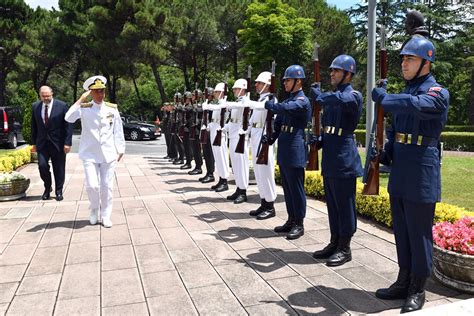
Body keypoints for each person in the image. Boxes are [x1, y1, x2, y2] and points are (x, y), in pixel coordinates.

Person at [371, 36, 449, 313]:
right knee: (402, 231)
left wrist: (386, 98)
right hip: (402, 167)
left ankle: (418, 287)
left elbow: (416, 106)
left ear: (426, 63)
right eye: (402, 59)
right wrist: (384, 153)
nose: (403, 63)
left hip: (421, 170)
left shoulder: (437, 92)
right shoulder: (406, 93)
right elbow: (395, 130)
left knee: (419, 232)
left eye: (410, 59)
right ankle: (403, 280)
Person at [309, 55, 363, 267]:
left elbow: (338, 100)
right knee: (332, 204)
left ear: (348, 74)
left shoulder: (353, 95)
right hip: (331, 155)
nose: (331, 73)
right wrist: (319, 140)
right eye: (331, 70)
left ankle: (345, 247)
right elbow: (330, 125)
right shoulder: (331, 97)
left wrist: (320, 96)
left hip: (344, 158)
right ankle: (334, 241)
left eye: (336, 70)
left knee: (344, 204)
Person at [65, 75, 125, 228]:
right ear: (91, 93)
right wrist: (80, 100)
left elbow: (117, 130)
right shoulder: (84, 108)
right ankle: (93, 210)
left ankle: (105, 215)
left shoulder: (112, 108)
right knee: (92, 185)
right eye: (96, 92)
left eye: (102, 91)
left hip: (108, 154)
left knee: (107, 186)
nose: (100, 94)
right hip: (90, 153)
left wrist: (121, 148)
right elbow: (68, 117)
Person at [264, 65, 311, 240]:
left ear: (298, 81)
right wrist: (271, 137)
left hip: (295, 148)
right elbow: (279, 123)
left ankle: (299, 223)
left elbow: (285, 109)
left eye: (288, 80)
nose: (285, 83)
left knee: (296, 189)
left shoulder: (302, 101)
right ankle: (291, 219)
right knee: (288, 188)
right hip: (285, 147)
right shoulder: (288, 101)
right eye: (284, 80)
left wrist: (273, 105)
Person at [31, 86, 73, 201]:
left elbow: (68, 125)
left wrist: (67, 142)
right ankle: (47, 187)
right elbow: (34, 126)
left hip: (58, 143)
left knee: (59, 168)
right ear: (40, 95)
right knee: (42, 166)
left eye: (48, 96)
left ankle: (59, 191)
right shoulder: (35, 107)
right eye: (43, 96)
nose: (46, 98)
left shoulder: (62, 106)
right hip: (42, 143)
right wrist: (33, 143)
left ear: (52, 94)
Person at [245, 71, 277, 219]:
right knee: (258, 172)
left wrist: (249, 103)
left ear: (267, 85)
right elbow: (252, 120)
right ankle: (264, 202)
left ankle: (270, 206)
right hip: (256, 137)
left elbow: (263, 109)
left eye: (259, 83)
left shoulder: (271, 100)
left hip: (265, 139)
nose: (256, 85)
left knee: (266, 172)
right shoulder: (260, 99)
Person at [225, 79, 250, 204]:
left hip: (241, 138)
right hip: (233, 137)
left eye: (236, 88)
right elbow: (232, 120)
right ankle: (238, 188)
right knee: (235, 165)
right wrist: (225, 128)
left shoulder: (245, 102)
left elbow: (241, 107)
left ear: (242, 89)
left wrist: (226, 104)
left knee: (242, 165)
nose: (234, 90)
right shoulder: (237, 102)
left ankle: (243, 191)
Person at [205, 82, 229, 192]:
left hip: (220, 134)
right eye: (215, 92)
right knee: (217, 158)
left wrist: (208, 106)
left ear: (222, 93)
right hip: (214, 132)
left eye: (217, 92)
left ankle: (224, 181)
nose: (215, 93)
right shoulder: (218, 103)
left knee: (222, 157)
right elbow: (215, 120)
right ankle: (220, 179)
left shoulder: (224, 103)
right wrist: (209, 125)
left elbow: (219, 110)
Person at [198, 88, 216, 183]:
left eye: (207, 94)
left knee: (209, 153)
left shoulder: (213, 104)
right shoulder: (206, 103)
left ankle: (211, 174)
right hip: (205, 130)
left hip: (210, 130)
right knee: (205, 153)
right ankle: (208, 172)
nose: (205, 96)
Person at [188, 89, 203, 175]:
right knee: (194, 149)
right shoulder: (194, 105)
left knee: (197, 149)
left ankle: (199, 167)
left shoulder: (201, 104)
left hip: (197, 129)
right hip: (193, 129)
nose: (192, 97)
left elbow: (200, 111)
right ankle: (197, 166)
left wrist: (195, 107)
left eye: (194, 95)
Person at [180, 91, 194, 170]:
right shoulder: (185, 105)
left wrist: (180, 107)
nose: (184, 99)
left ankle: (189, 162)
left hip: (189, 128)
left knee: (188, 146)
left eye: (185, 98)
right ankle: (187, 162)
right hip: (185, 127)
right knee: (185, 145)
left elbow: (185, 110)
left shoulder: (190, 106)